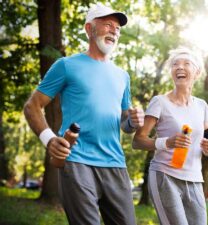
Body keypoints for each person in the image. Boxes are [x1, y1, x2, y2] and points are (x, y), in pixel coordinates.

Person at [24, 3, 144, 225]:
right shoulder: (66, 65)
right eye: (107, 25)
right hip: (77, 161)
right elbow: (32, 106)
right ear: (89, 29)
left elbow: (125, 124)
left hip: (115, 163)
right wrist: (49, 139)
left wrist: (133, 122)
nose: (113, 32)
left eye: (117, 29)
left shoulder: (122, 76)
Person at [133, 47, 208, 225]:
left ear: (197, 72)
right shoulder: (159, 102)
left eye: (186, 63)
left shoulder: (202, 106)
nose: (179, 67)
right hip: (165, 176)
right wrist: (167, 142)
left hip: (194, 179)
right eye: (175, 64)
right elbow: (138, 141)